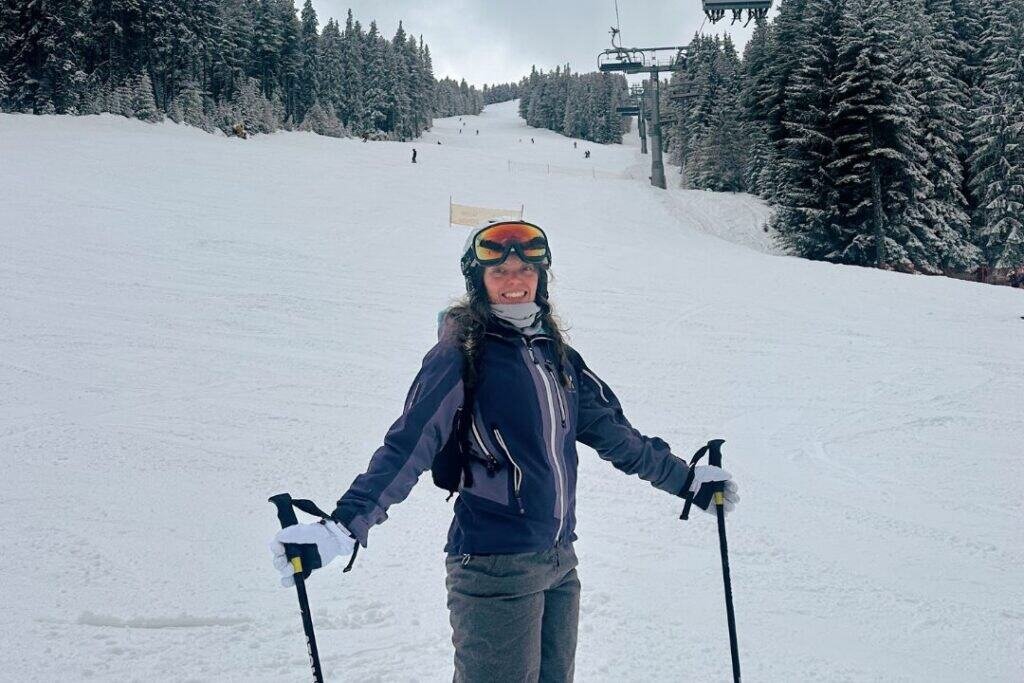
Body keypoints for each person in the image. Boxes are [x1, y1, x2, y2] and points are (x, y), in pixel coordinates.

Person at [270, 222, 739, 681]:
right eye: (500, 273)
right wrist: (343, 528)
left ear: (541, 278)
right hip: (493, 568)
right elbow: (408, 445)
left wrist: (686, 481)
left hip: (559, 562)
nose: (514, 282)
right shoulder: (460, 355)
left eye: (525, 271)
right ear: (479, 283)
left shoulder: (557, 356)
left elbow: (618, 436)